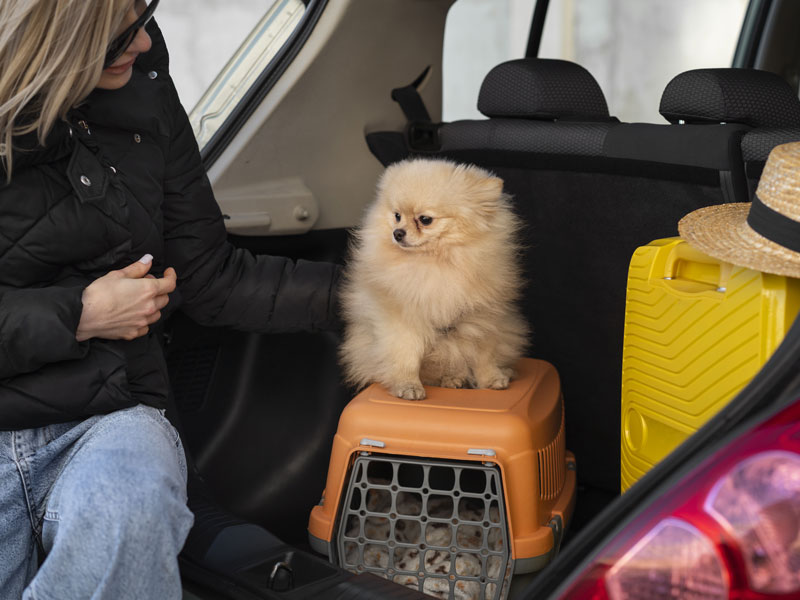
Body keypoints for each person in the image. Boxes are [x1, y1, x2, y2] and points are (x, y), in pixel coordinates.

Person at [0, 1, 340, 598]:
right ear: (54, 37)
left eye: (144, 14)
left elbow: (209, 274)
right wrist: (79, 316)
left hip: (107, 418)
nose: (145, 44)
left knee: (132, 497)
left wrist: (378, 297)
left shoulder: (145, 87)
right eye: (120, 32)